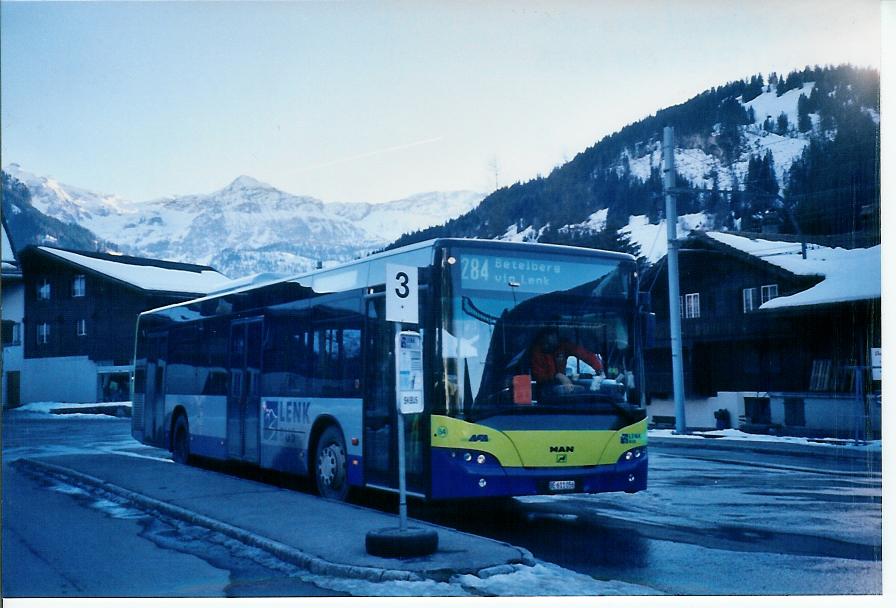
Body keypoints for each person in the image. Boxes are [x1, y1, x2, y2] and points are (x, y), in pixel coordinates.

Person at [530, 328, 603, 390]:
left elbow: (584, 354)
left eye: (553, 335)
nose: (550, 339)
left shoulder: (563, 346)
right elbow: (539, 376)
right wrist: (557, 376)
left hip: (563, 387)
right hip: (544, 390)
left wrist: (599, 369)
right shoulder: (536, 352)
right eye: (546, 340)